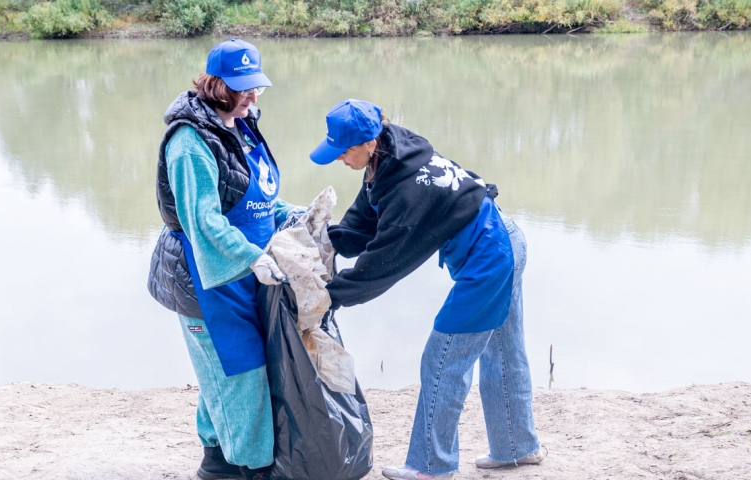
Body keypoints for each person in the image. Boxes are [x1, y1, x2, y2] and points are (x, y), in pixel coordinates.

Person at [309, 99, 546, 480]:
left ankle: (431, 467)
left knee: (442, 359)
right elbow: (365, 220)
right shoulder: (393, 153)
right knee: (503, 352)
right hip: (505, 239)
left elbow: (383, 265)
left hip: (489, 259)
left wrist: (328, 297)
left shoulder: (406, 190)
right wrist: (324, 241)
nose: (339, 158)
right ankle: (518, 448)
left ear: (370, 141)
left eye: (344, 150)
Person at [147, 39, 299, 480]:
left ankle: (215, 461)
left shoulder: (241, 124)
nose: (252, 96)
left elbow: (256, 196)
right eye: (242, 88)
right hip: (206, 277)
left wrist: (294, 213)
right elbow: (203, 222)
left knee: (227, 370)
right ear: (215, 85)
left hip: (248, 274)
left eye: (257, 87)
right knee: (241, 372)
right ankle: (249, 467)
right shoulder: (189, 141)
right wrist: (252, 257)